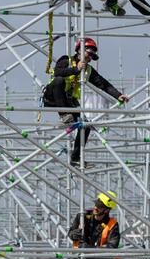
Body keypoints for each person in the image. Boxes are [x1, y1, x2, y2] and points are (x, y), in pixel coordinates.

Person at [44, 37, 128, 166]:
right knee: (59, 80)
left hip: (69, 100)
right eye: (89, 53)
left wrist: (119, 95)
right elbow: (57, 72)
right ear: (79, 50)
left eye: (92, 55)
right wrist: (76, 69)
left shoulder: (88, 70)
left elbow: (104, 84)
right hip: (53, 96)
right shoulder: (66, 60)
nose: (90, 57)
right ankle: (64, 115)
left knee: (85, 125)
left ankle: (76, 158)